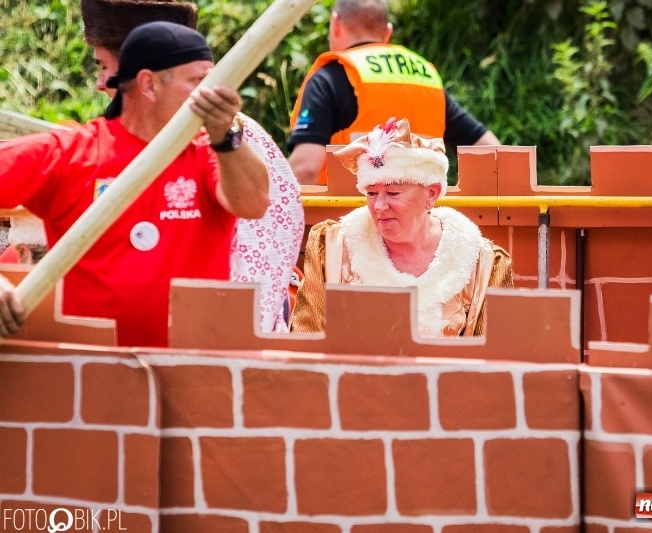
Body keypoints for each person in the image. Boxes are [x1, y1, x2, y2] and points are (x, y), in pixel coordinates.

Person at [0, 21, 270, 346]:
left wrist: (225, 135)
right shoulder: (73, 153)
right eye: (199, 81)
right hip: (91, 373)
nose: (213, 92)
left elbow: (254, 204)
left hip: (195, 372)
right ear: (149, 85)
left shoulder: (211, 152)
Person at [81, 0, 304, 332]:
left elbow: (253, 277)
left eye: (103, 66)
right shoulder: (147, 138)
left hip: (211, 343)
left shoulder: (220, 141)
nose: (100, 82)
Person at [290, 118, 512, 336]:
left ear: (431, 193)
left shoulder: (484, 262)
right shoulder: (331, 248)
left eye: (393, 193)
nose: (379, 206)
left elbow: (499, 359)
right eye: (371, 193)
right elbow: (305, 342)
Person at [287, 0, 500, 186]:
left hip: (348, 223)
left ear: (335, 24)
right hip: (420, 224)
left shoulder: (331, 77)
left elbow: (305, 168)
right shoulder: (424, 76)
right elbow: (493, 151)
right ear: (387, 32)